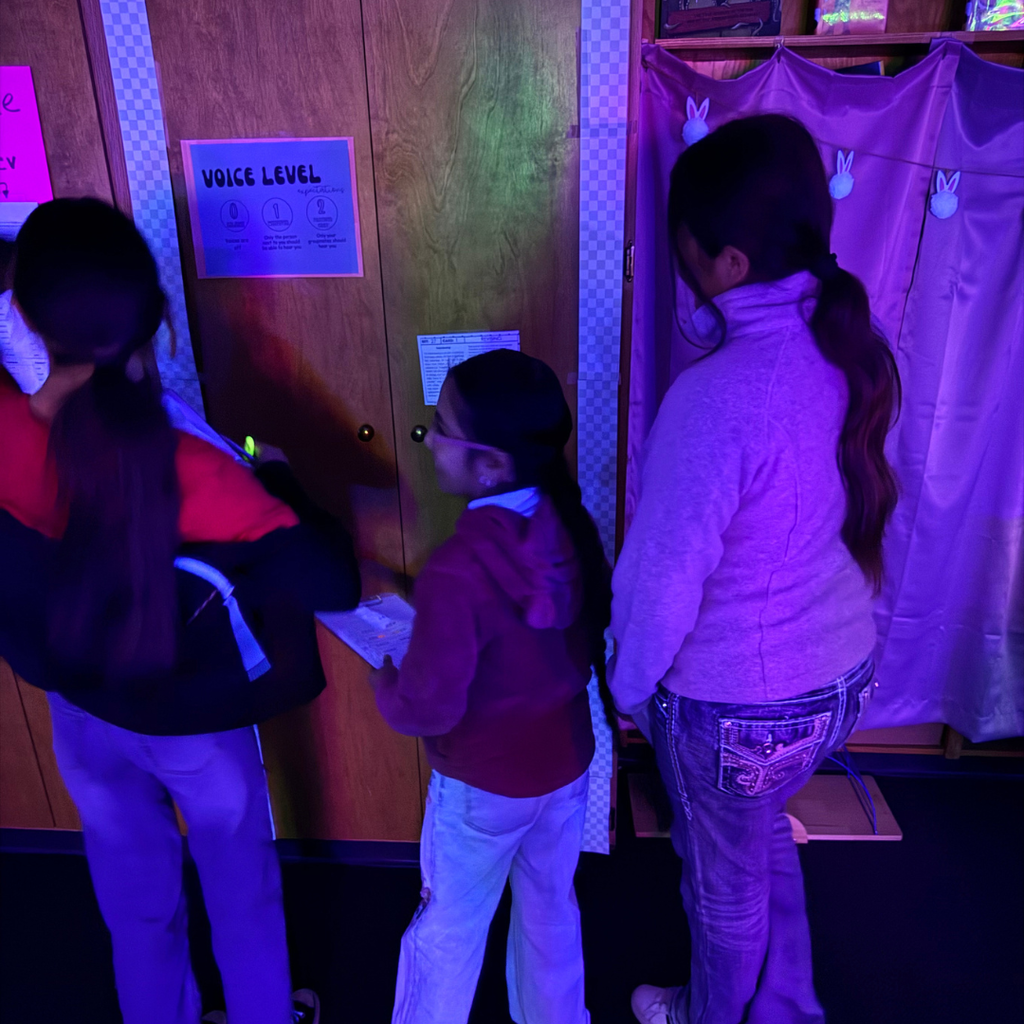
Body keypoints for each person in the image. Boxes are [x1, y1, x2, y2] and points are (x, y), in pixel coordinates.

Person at [0, 198, 361, 1024]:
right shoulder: (199, 469)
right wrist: (275, 477)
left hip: (81, 713)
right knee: (240, 891)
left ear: (21, 315)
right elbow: (331, 582)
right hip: (192, 722)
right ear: (157, 320)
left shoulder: (4, 434)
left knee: (134, 905)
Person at [611, 115, 901, 1024]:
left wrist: (626, 688)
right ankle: (786, 1005)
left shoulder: (716, 398)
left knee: (720, 881)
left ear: (728, 264)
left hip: (739, 707)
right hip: (839, 683)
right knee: (759, 830)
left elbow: (661, 580)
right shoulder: (848, 349)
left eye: (688, 251)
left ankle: (708, 1017)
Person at [370, 349, 611, 1024]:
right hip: (565, 768)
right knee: (551, 912)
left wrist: (385, 681)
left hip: (481, 785)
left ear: (489, 465)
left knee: (448, 929)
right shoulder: (567, 523)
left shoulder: (459, 563)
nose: (430, 440)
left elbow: (427, 705)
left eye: (439, 428)